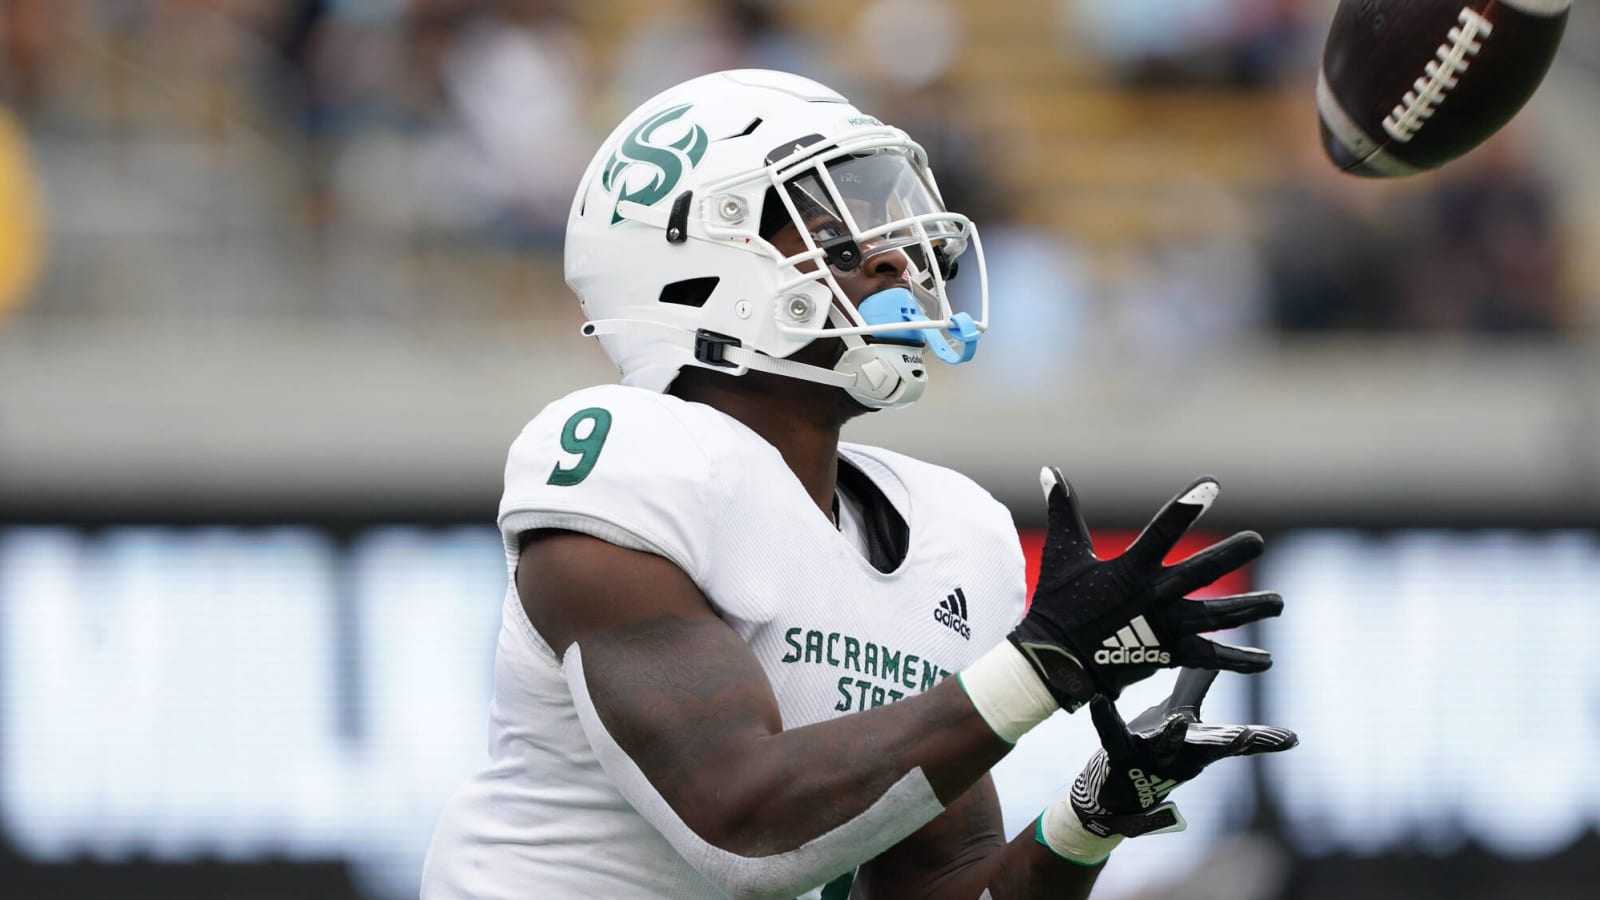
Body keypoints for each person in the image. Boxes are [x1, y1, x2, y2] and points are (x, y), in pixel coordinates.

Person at [421, 68, 1296, 899]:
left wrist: (1087, 818)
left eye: (887, 219)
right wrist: (1040, 671)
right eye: (834, 223)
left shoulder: (958, 533)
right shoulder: (627, 457)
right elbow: (745, 832)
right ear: (694, 259)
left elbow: (936, 887)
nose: (893, 258)